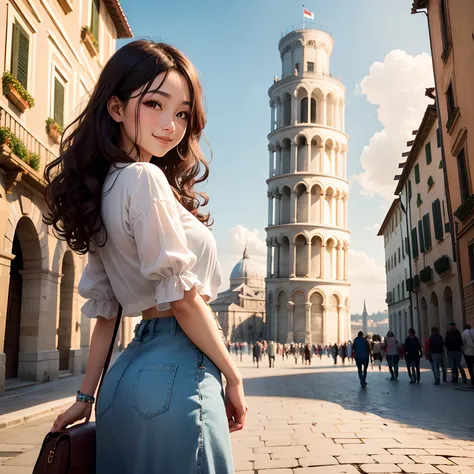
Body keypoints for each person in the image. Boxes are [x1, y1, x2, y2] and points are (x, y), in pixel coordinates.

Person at [45, 41, 247, 473]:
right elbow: (183, 300)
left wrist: (86, 397)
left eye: (181, 113)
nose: (170, 125)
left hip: (121, 382)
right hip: (179, 370)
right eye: (154, 103)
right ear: (115, 108)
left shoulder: (104, 191)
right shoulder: (145, 178)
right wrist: (232, 374)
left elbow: (106, 313)